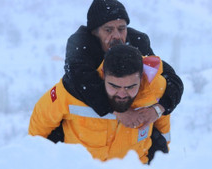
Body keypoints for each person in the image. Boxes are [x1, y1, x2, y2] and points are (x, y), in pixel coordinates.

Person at [61, 0, 183, 161]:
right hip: (86, 131)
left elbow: (172, 80)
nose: (117, 36)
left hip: (135, 132)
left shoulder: (137, 43)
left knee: (158, 148)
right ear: (95, 32)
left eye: (121, 28)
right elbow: (82, 83)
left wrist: (158, 110)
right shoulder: (81, 45)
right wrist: (121, 112)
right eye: (108, 30)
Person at [29, 45, 170, 164]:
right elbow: (38, 129)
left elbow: (164, 136)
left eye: (130, 87)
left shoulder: (155, 90)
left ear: (141, 77)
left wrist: (157, 110)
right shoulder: (73, 91)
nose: (122, 94)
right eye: (114, 86)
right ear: (103, 75)